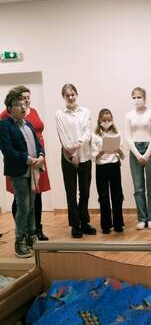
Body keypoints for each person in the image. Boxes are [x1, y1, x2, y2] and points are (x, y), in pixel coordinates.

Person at [0, 85, 50, 240]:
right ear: (10, 107)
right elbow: (8, 149)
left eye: (26, 101)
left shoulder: (29, 122)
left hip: (35, 166)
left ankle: (33, 233)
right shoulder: (5, 122)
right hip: (20, 168)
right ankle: (20, 238)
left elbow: (37, 142)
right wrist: (29, 160)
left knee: (33, 205)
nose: (24, 105)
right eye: (20, 102)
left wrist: (41, 156)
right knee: (23, 205)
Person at [55, 84, 96, 238]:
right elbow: (63, 135)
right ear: (63, 97)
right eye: (67, 95)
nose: (71, 97)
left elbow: (88, 131)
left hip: (84, 155)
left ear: (76, 94)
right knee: (71, 193)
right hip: (68, 157)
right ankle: (75, 225)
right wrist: (72, 153)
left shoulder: (85, 111)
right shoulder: (59, 114)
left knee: (85, 192)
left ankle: (84, 222)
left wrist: (78, 145)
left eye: (73, 94)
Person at [125, 87, 151, 230]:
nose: (137, 100)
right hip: (135, 151)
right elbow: (127, 136)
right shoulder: (129, 115)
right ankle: (141, 218)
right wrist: (138, 155)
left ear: (145, 98)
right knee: (138, 188)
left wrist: (146, 154)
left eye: (139, 97)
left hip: (150, 150)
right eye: (134, 97)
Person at [92, 109, 125, 234]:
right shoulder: (95, 135)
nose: (107, 122)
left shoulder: (117, 133)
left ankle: (118, 224)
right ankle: (106, 225)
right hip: (101, 166)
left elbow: (123, 154)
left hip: (114, 165)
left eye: (109, 120)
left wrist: (119, 151)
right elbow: (93, 156)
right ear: (99, 120)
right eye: (104, 120)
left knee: (117, 196)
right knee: (104, 196)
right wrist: (101, 152)